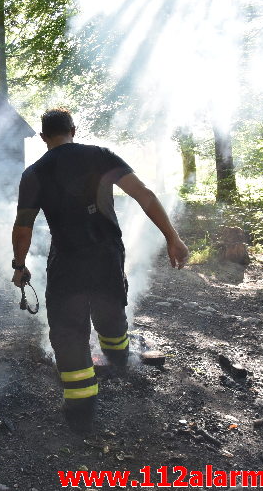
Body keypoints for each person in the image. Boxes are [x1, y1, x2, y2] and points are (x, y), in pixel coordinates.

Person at [11, 108, 189, 432]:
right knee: (110, 314)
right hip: (106, 257)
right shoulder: (101, 156)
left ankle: (81, 410)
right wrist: (172, 237)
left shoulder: (34, 173)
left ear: (42, 137)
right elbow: (144, 195)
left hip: (66, 261)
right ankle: (120, 359)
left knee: (67, 332)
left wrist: (19, 266)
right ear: (73, 130)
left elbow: (22, 228)